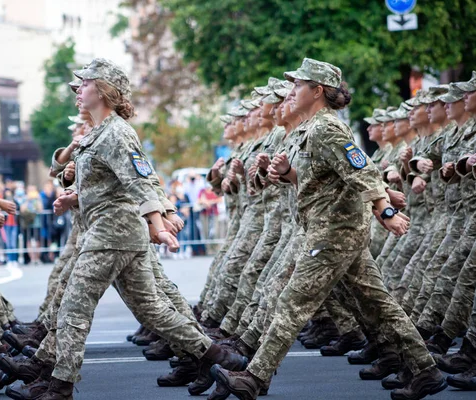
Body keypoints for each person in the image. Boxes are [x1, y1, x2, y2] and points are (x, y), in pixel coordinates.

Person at [212, 58, 445, 400]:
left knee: (292, 303)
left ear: (317, 91)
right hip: (331, 230)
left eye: (298, 86)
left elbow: (360, 172)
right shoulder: (311, 129)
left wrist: (387, 211)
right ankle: (426, 370)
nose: (291, 92)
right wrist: (290, 173)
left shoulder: (327, 128)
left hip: (334, 234)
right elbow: (321, 180)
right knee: (378, 304)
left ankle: (253, 377)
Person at [37, 58, 247, 399]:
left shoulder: (117, 133)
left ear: (104, 90)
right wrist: (73, 194)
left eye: (86, 84)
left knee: (74, 306)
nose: (78, 90)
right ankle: (218, 356)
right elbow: (105, 184)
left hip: (113, 233)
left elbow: (139, 181)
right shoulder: (100, 133)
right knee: (152, 310)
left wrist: (159, 225)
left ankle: (59, 386)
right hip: (113, 233)